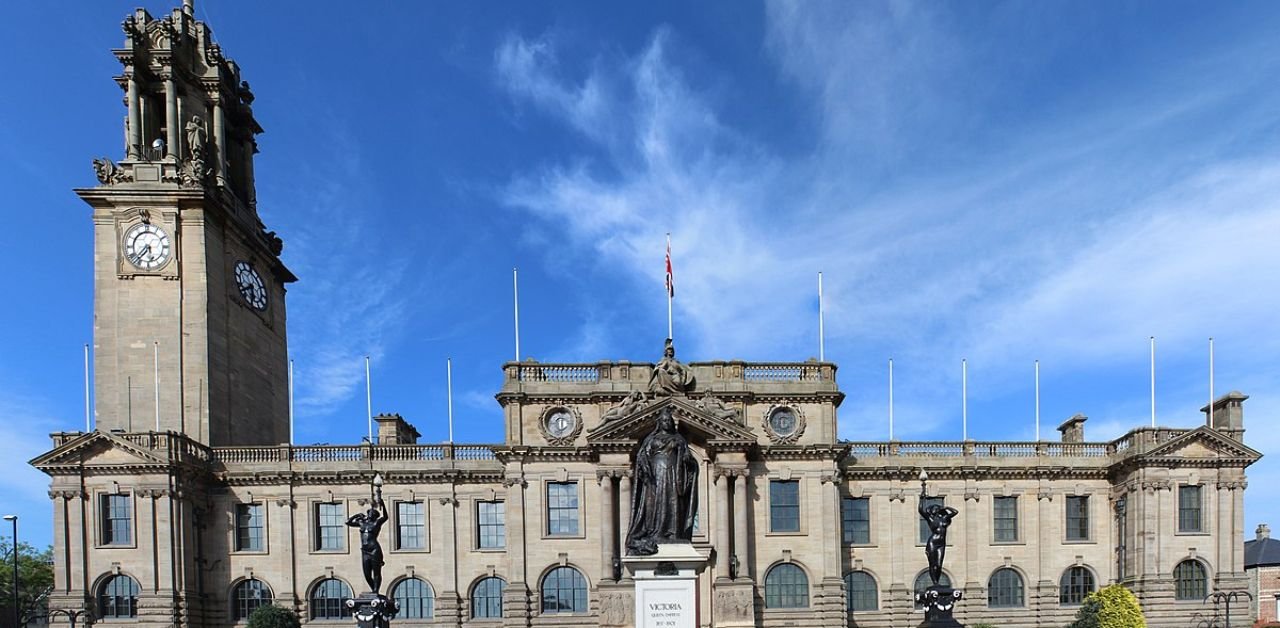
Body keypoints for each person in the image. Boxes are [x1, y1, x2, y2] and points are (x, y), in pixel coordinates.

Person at [625, 407, 699, 555]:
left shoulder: (679, 440)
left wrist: (687, 461)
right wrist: (644, 466)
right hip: (655, 478)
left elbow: (690, 462)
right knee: (654, 505)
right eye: (664, 420)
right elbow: (642, 456)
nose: (667, 423)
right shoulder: (651, 440)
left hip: (673, 476)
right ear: (660, 423)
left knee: (673, 504)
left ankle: (673, 533)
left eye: (669, 420)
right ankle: (655, 532)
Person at [347, 491, 389, 593]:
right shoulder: (362, 523)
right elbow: (348, 522)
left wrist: (382, 503)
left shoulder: (377, 522)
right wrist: (356, 515)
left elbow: (385, 517)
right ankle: (374, 591)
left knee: (376, 572)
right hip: (365, 551)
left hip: (374, 549)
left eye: (371, 512)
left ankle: (375, 591)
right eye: (368, 512)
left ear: (375, 515)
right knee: (366, 574)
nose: (369, 513)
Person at [919, 485, 959, 587]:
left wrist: (943, 508)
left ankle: (937, 583)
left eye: (937, 508)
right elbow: (920, 510)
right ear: (931, 510)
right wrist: (921, 498)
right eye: (934, 508)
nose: (936, 509)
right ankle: (935, 583)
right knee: (933, 565)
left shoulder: (944, 518)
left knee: (939, 565)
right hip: (933, 542)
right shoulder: (930, 519)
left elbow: (955, 512)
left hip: (941, 543)